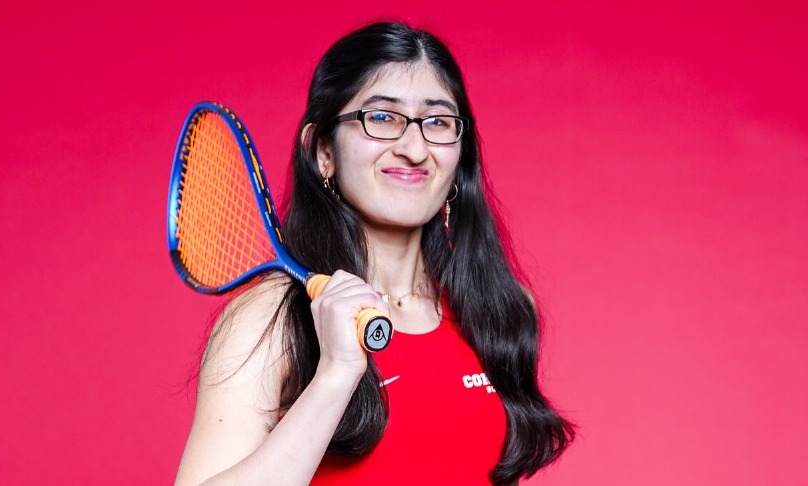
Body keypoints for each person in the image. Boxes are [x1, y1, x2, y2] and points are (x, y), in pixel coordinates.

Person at [174, 21, 574, 486]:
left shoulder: (501, 310)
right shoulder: (270, 319)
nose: (414, 147)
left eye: (438, 122)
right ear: (323, 151)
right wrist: (336, 374)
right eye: (382, 118)